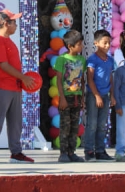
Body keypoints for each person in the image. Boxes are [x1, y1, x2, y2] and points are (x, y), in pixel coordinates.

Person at [0, 9, 35, 164]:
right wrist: (23, 77)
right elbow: (3, 65)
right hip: (2, 86)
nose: (16, 25)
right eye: (14, 22)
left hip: (15, 87)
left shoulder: (10, 41)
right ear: (6, 23)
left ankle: (16, 152)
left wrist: (23, 79)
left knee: (15, 123)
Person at [54, 29, 87, 163]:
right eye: (79, 44)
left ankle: (72, 152)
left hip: (77, 97)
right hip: (66, 97)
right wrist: (61, 97)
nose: (81, 46)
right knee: (65, 126)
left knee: (74, 126)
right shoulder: (62, 59)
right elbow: (59, 80)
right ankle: (63, 153)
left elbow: (82, 80)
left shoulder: (81, 59)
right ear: (70, 46)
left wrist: (82, 98)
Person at [83, 29, 115, 162]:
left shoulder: (110, 60)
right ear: (96, 43)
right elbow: (89, 78)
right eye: (104, 43)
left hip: (106, 95)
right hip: (93, 96)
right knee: (92, 124)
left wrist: (112, 95)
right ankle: (89, 151)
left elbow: (111, 78)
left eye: (109, 43)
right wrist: (96, 96)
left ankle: (100, 150)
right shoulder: (92, 59)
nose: (107, 46)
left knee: (102, 124)